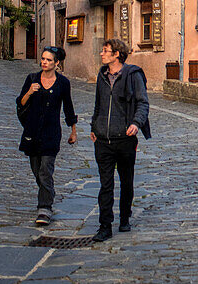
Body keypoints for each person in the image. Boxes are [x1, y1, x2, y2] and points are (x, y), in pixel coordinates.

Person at [90, 38, 150, 242]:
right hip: (103, 140)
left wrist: (136, 123)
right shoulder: (102, 75)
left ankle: (125, 216)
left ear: (117, 54)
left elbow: (143, 103)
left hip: (125, 139)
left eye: (105, 51)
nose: (102, 53)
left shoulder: (132, 76)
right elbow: (98, 103)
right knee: (105, 185)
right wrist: (94, 126)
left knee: (126, 181)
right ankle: (104, 226)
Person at [17, 46, 78, 226]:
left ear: (56, 63)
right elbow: (20, 103)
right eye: (43, 59)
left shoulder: (63, 83)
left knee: (45, 169)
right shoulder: (32, 79)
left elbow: (68, 107)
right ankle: (48, 192)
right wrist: (29, 92)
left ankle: (44, 208)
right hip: (32, 132)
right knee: (37, 170)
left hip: (51, 133)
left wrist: (73, 131)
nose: (44, 62)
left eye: (48, 60)